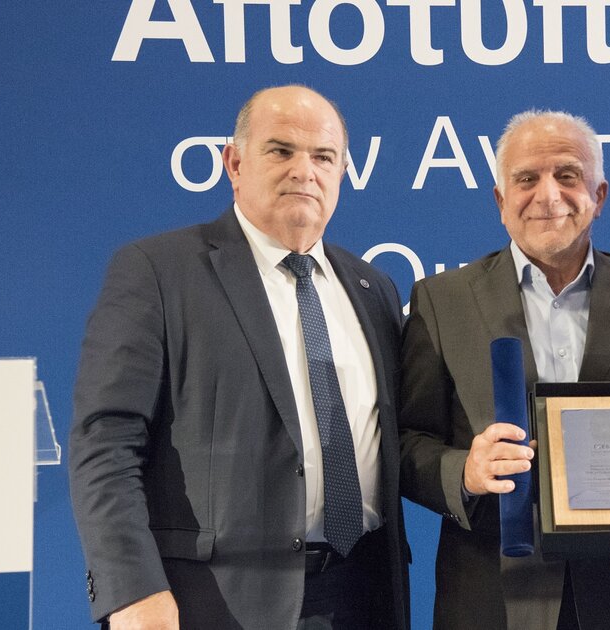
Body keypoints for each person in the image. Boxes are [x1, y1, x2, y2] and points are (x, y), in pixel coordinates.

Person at [69, 85, 409, 630]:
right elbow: (105, 444)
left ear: (344, 172)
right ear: (234, 163)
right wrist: (131, 589)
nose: (304, 171)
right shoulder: (158, 271)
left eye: (324, 157)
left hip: (362, 596)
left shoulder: (374, 288)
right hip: (212, 602)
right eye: (281, 150)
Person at [398, 110, 610, 629]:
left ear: (599, 195)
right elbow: (408, 440)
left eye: (568, 175)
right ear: (500, 201)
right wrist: (465, 472)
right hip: (491, 597)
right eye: (526, 179)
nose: (548, 196)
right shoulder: (442, 301)